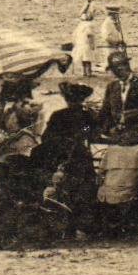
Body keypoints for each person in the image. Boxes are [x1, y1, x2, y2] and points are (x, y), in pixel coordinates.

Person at [30, 82, 100, 237]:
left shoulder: (58, 115)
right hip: (78, 156)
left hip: (58, 155)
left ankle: (63, 223)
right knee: (84, 190)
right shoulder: (86, 116)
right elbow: (92, 134)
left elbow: (46, 137)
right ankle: (81, 227)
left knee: (63, 187)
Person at [97, 52, 138, 145]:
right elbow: (105, 111)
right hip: (116, 134)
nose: (117, 73)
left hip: (136, 134)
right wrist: (106, 129)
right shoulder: (112, 86)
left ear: (127, 66)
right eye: (114, 70)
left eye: (120, 69)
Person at [71, 2, 99, 77]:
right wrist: (92, 45)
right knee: (88, 60)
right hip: (86, 45)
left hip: (80, 44)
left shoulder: (80, 24)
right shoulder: (89, 25)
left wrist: (87, 4)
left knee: (84, 60)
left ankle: (85, 72)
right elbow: (89, 35)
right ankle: (88, 73)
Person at [99, 5, 126, 70]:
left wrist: (120, 41)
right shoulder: (107, 23)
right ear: (112, 14)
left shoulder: (114, 22)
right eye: (116, 14)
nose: (117, 16)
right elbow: (106, 37)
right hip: (110, 46)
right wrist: (117, 41)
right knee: (111, 61)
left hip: (115, 46)